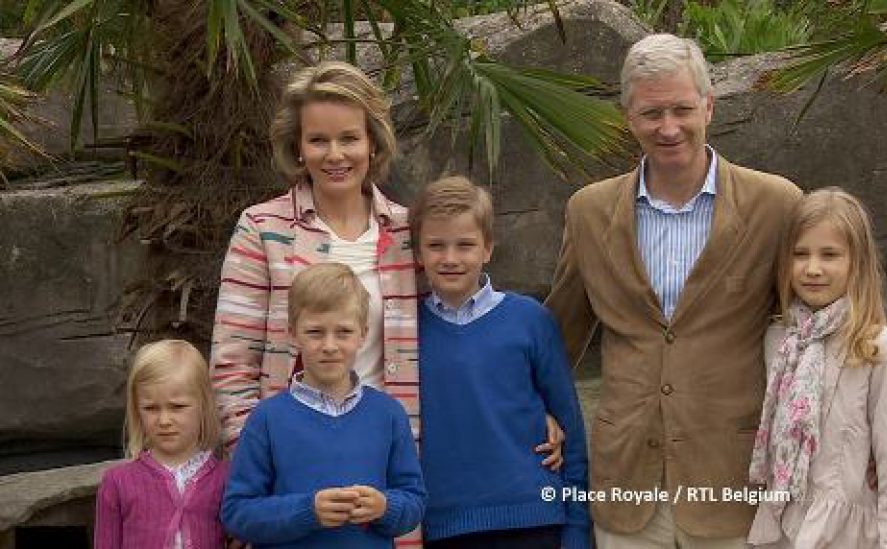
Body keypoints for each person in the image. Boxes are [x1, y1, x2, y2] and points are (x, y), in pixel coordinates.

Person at [209, 61, 563, 472]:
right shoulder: (263, 229)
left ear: (372, 144)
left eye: (349, 138)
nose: (335, 154)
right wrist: (253, 465)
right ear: (299, 148)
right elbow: (233, 366)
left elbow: (462, 328)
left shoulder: (406, 231)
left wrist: (524, 407)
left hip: (392, 456)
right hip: (291, 456)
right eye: (318, 140)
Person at [544, 33, 802, 548]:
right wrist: (537, 410)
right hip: (628, 484)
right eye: (651, 112)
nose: (668, 127)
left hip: (735, 482)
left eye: (682, 109)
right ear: (627, 116)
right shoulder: (589, 211)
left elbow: (812, 329)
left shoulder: (776, 205)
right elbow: (558, 334)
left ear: (709, 105)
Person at [409, 176, 591, 549]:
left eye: (465, 245)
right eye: (436, 246)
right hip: (444, 527)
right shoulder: (406, 331)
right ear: (417, 252)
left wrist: (576, 529)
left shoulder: (530, 319)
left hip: (536, 521)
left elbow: (571, 434)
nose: (450, 258)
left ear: (488, 248)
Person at [747, 188, 887, 548]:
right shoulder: (779, 340)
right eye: (800, 254)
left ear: (857, 262)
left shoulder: (880, 349)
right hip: (784, 526)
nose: (813, 268)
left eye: (830, 255)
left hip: (848, 533)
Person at [222, 263, 425, 548]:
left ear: (363, 334)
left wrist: (384, 506)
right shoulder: (267, 419)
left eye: (343, 332)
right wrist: (308, 511)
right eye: (315, 332)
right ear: (293, 333)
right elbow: (237, 513)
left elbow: (414, 501)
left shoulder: (388, 414)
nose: (330, 345)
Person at [95, 340, 227, 549]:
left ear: (204, 405)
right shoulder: (117, 482)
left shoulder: (225, 479)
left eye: (177, 406)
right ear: (137, 409)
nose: (164, 420)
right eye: (151, 408)